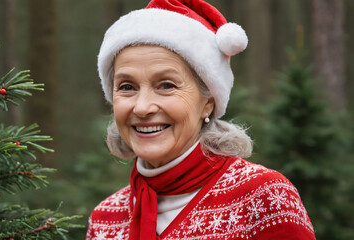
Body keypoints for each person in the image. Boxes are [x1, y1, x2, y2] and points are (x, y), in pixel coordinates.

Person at [87, 0, 316, 239]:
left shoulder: (263, 197)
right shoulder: (105, 219)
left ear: (208, 102)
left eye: (166, 85)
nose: (142, 107)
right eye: (127, 87)